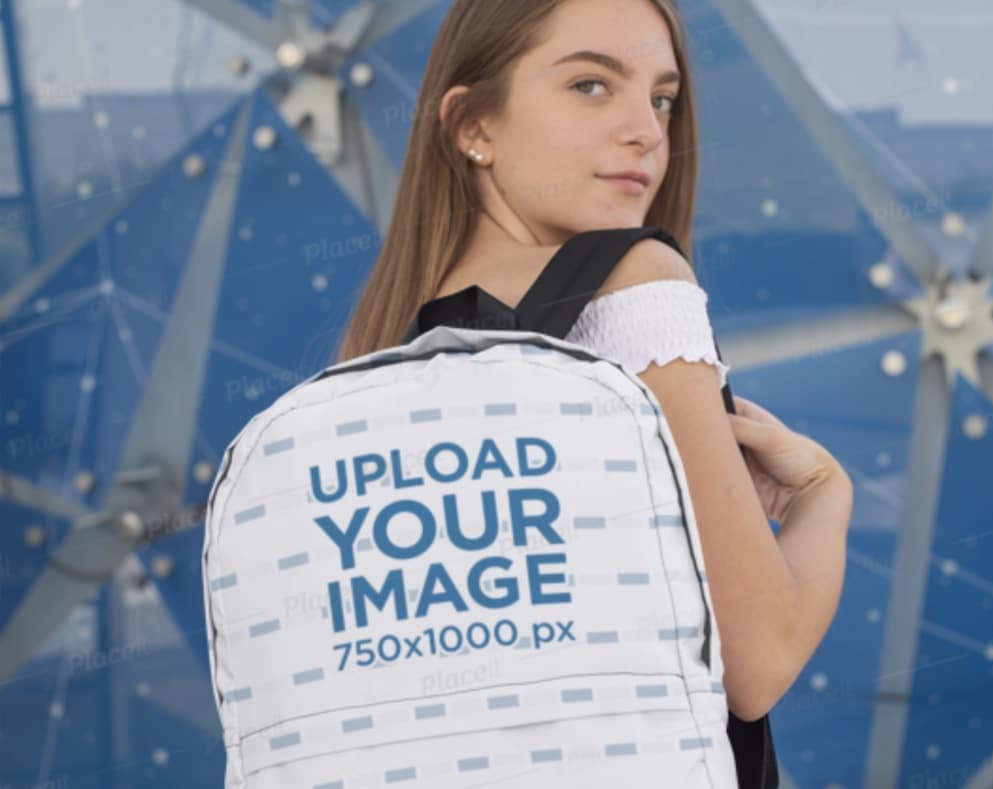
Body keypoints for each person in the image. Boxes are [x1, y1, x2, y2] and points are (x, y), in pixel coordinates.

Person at [334, 0, 854, 784]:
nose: (647, 130)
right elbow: (757, 661)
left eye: (662, 97)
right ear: (472, 124)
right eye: (589, 85)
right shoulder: (636, 284)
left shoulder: (382, 350)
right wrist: (823, 492)